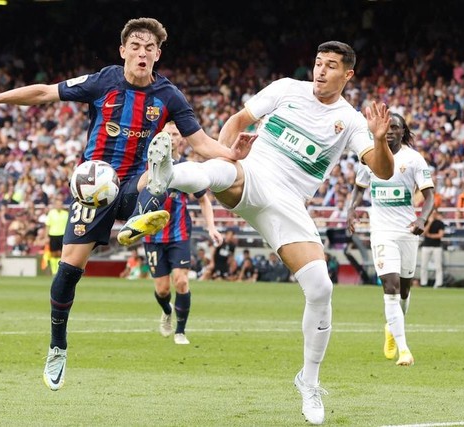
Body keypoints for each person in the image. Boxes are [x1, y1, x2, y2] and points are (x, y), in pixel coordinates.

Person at [0, 17, 253, 391]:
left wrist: (231, 153)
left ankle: (140, 218)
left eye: (149, 47)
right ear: (123, 52)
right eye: (135, 45)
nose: (142, 52)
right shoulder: (103, 81)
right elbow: (43, 93)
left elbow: (199, 143)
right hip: (95, 185)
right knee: (68, 270)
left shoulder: (168, 95)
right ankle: (57, 347)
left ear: (157, 55)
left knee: (162, 160)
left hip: (137, 182)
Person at [139, 41, 394, 424]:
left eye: (330, 66)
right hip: (253, 174)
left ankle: (309, 382)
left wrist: (378, 139)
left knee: (321, 289)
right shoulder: (286, 88)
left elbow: (383, 171)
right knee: (221, 170)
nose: (321, 71)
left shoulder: (352, 121)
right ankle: (168, 174)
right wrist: (225, 151)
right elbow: (238, 121)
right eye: (318, 63)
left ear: (348, 74)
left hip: (289, 203)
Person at [348, 112, 435, 367]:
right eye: (386, 126)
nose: (389, 130)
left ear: (402, 131)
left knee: (405, 290)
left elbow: (430, 196)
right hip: (382, 232)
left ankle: (391, 328)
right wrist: (351, 210)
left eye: (395, 126)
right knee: (391, 287)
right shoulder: (370, 157)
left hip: (407, 232)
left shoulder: (414, 159)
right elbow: (358, 188)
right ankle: (404, 349)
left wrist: (422, 220)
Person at [142, 122, 223, 345]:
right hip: (152, 236)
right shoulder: (149, 165)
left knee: (181, 282)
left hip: (179, 234)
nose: (170, 138)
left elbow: (204, 200)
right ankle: (167, 311)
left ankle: (180, 331)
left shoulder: (187, 168)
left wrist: (211, 227)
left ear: (181, 140)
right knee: (162, 289)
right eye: (166, 134)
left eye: (175, 134)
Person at [419, 208, 446, 288]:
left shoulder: (440, 223)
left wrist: (430, 236)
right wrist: (430, 222)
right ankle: (423, 283)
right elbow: (424, 233)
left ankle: (438, 283)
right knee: (424, 265)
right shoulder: (426, 222)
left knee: (438, 266)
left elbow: (440, 235)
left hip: (437, 246)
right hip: (426, 246)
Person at [45, 196, 69, 275]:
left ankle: (60, 270)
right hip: (53, 234)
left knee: (61, 253)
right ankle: (54, 270)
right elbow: (48, 225)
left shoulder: (66, 214)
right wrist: (46, 236)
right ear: (55, 205)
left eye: (60, 204)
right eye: (58, 204)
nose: (59, 206)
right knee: (53, 253)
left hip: (63, 235)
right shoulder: (51, 213)